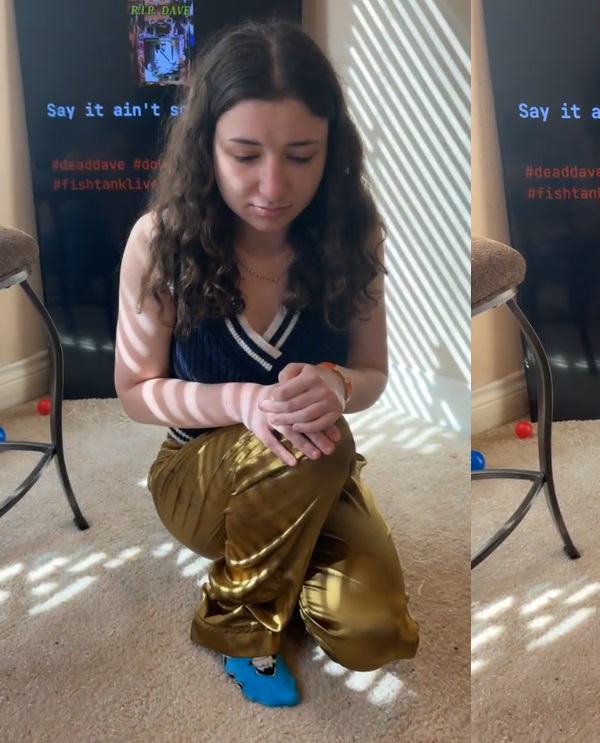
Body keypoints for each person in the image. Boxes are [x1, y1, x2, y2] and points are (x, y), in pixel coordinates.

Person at [114, 19, 419, 708]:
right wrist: (242, 402)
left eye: (301, 155)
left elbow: (372, 373)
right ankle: (237, 624)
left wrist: (337, 383)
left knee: (374, 633)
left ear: (331, 149)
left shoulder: (353, 234)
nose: (273, 185)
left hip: (312, 463)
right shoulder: (160, 241)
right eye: (245, 155)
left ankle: (286, 549)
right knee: (310, 444)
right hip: (199, 474)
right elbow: (135, 390)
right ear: (206, 147)